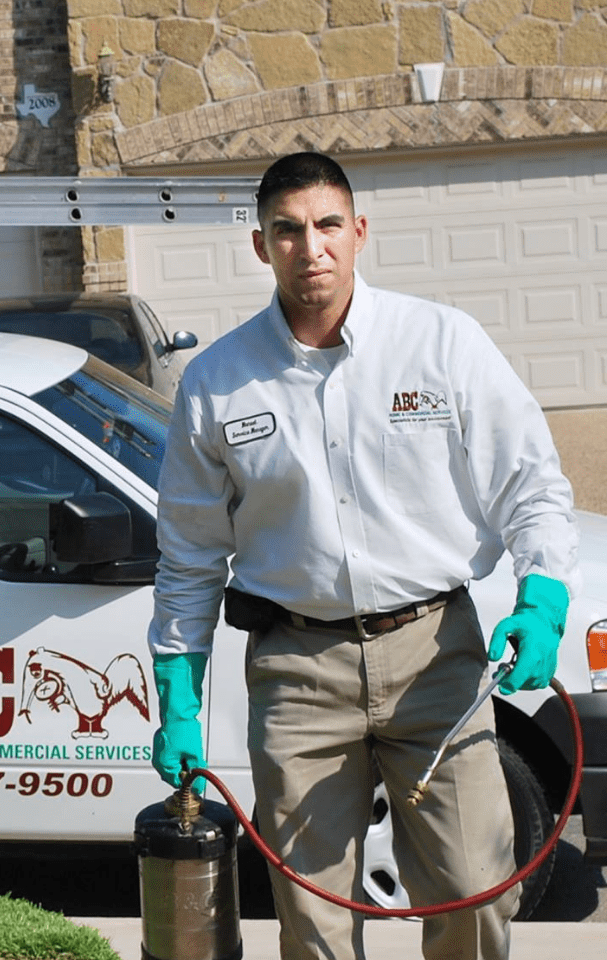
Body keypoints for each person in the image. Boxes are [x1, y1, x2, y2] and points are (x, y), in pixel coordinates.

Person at [146, 151, 579, 960]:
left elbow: (533, 486)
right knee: (314, 921)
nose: (310, 246)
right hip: (297, 672)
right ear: (260, 245)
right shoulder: (215, 384)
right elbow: (191, 556)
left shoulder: (443, 345)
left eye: (326, 225)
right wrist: (178, 690)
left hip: (436, 657)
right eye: (287, 230)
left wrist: (543, 597)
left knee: (474, 892)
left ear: (358, 233)